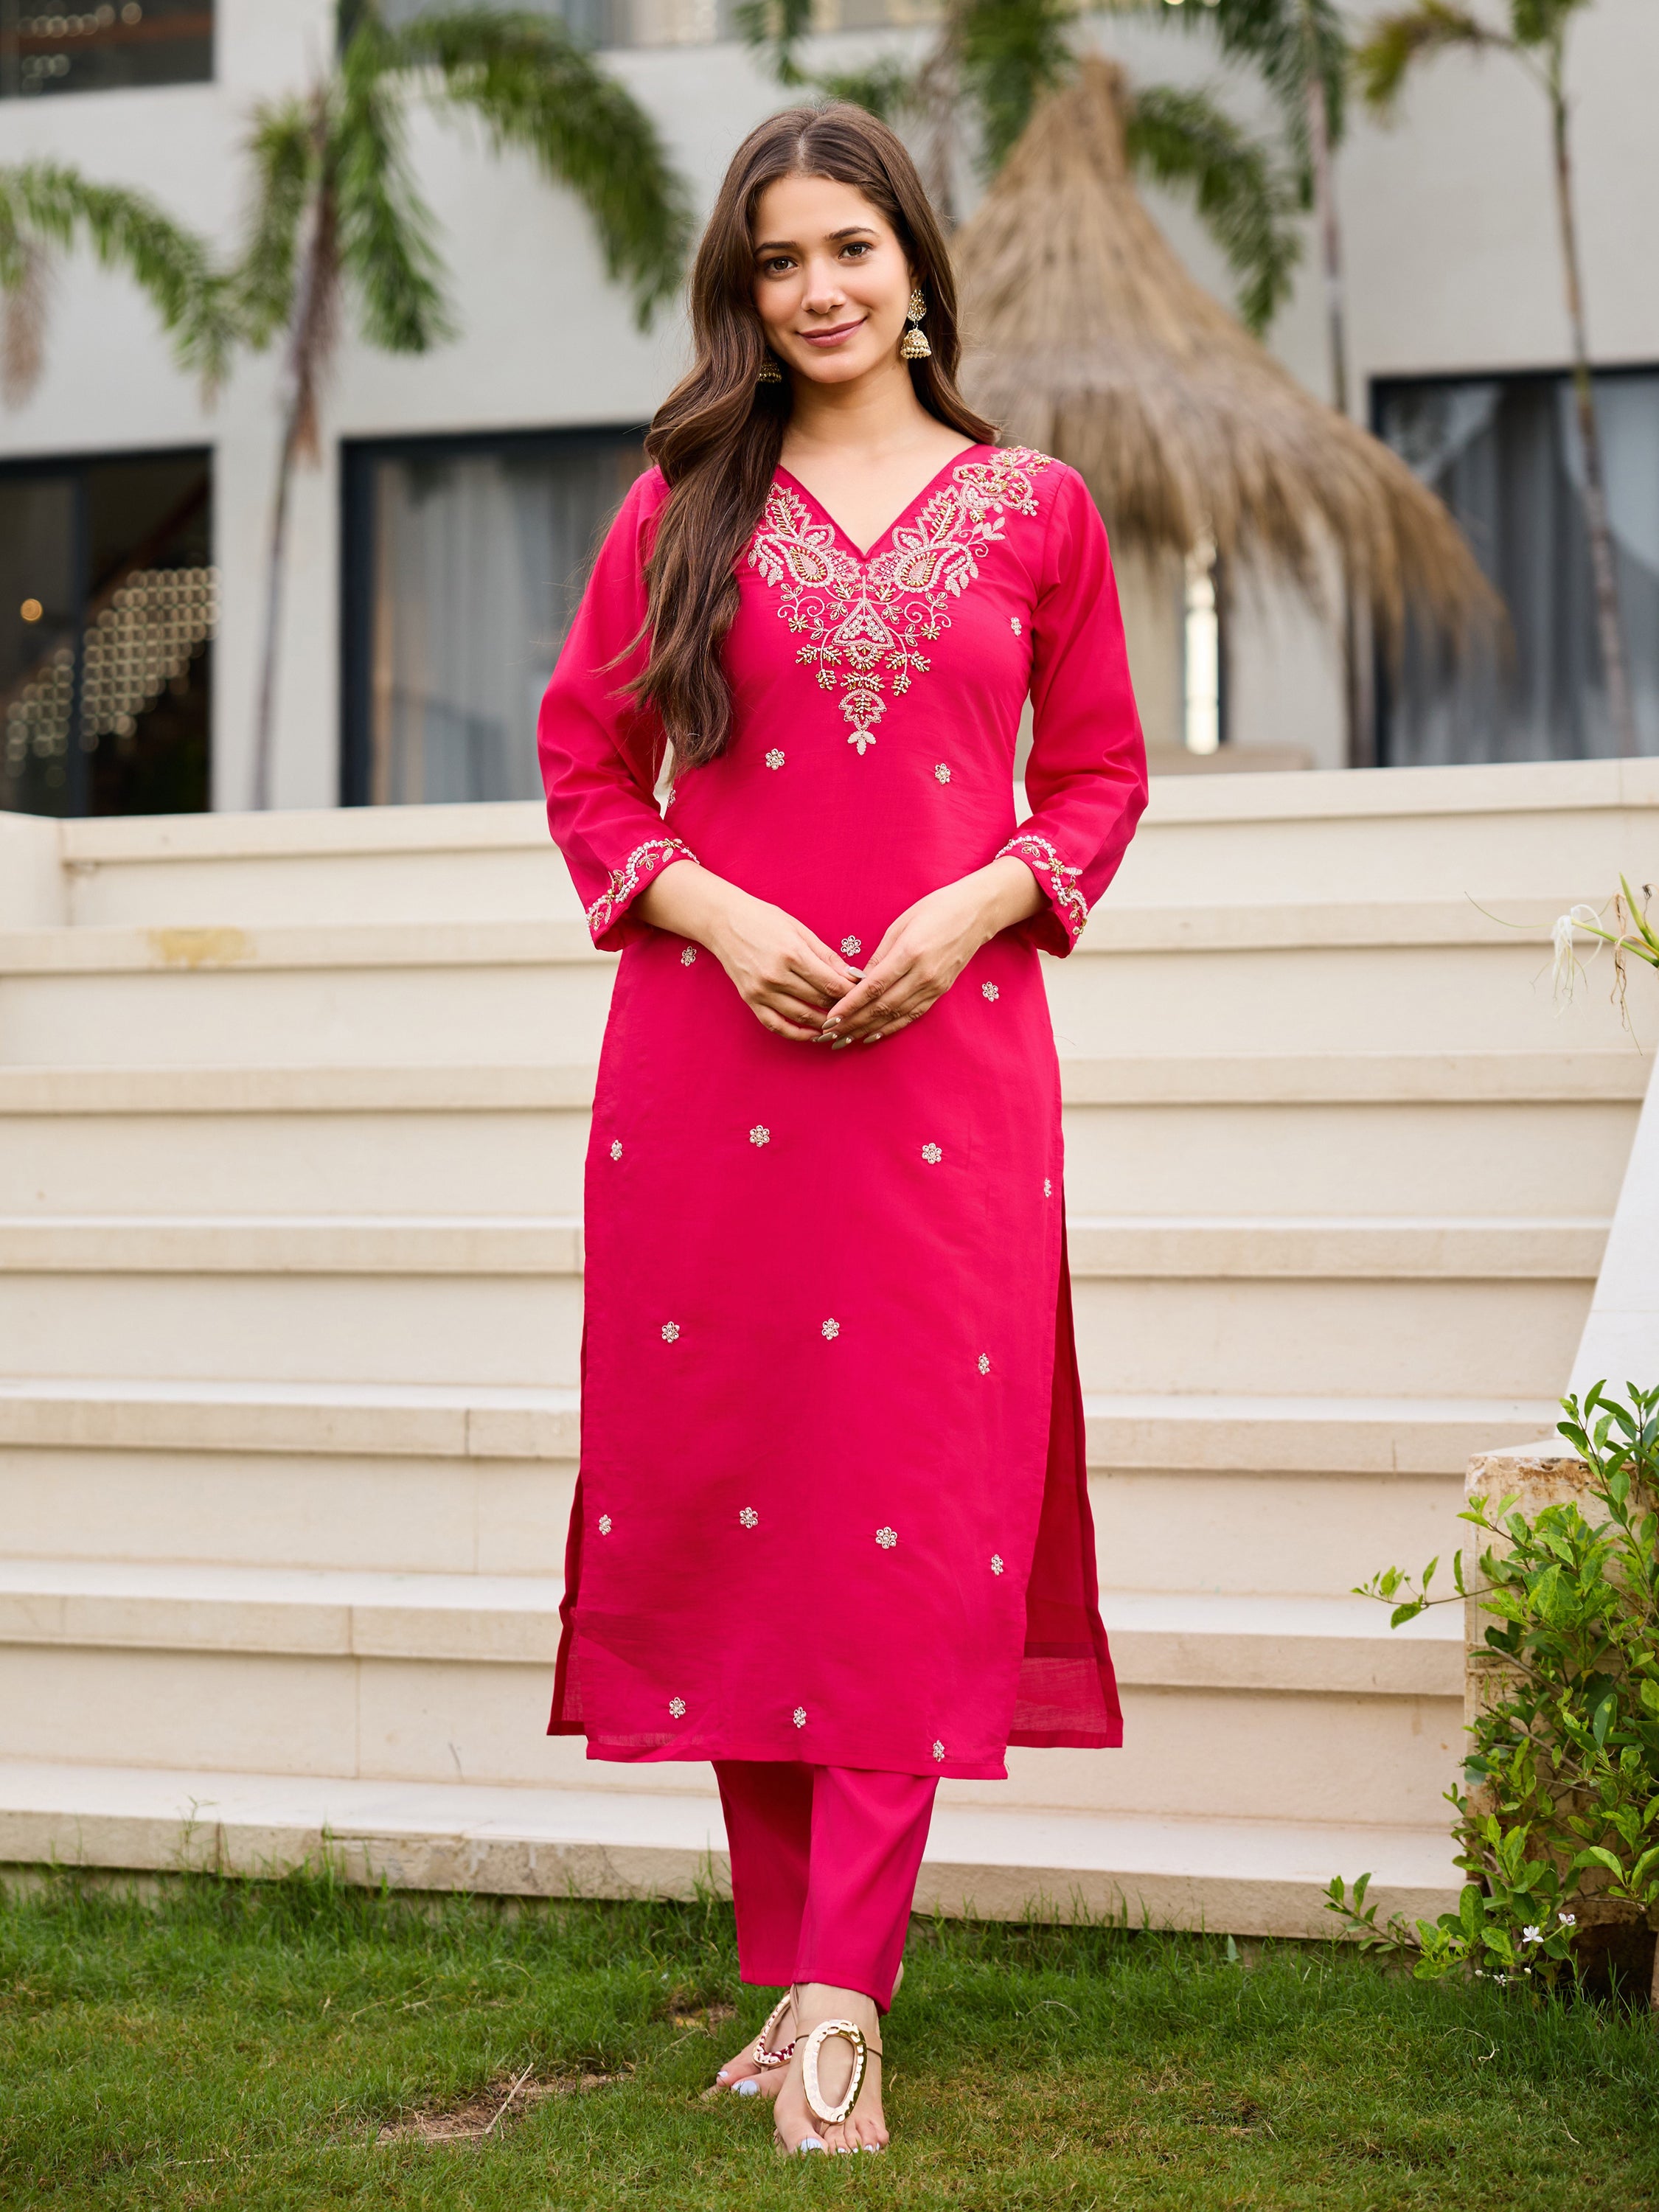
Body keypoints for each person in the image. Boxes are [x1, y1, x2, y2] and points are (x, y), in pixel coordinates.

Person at [537, 100, 1147, 2155]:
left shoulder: (1038, 509)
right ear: (744, 286)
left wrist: (972, 909)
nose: (817, 290)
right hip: (711, 1069)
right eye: (779, 259)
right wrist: (718, 916)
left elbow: (1098, 779)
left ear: (914, 266)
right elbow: (588, 764)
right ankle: (795, 1973)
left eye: (851, 249)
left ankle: (844, 2000)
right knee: (746, 1496)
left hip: (947, 1073)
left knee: (911, 1500)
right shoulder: (680, 507)